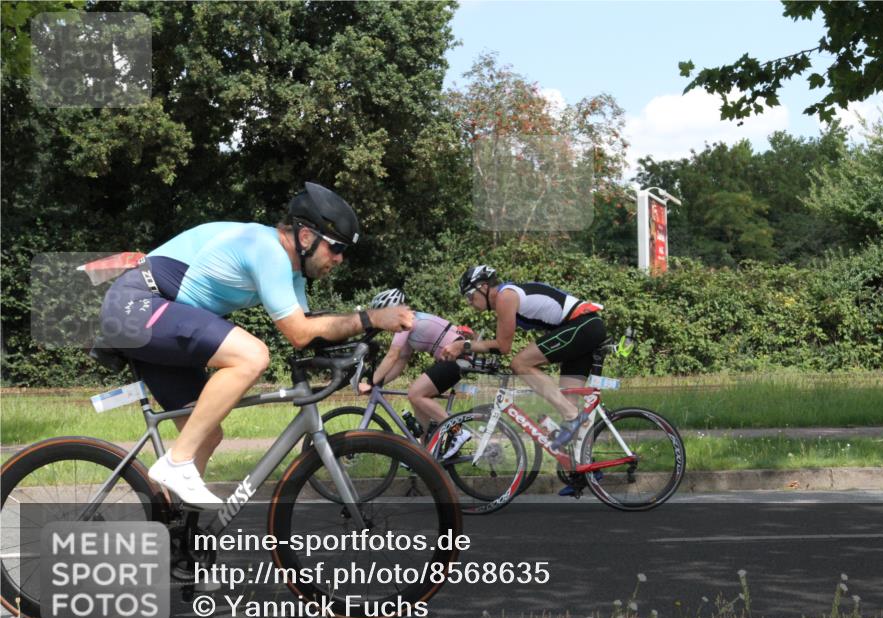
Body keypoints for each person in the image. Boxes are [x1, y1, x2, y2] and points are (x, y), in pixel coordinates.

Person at [98, 182, 413, 507]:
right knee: (252, 355)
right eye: (336, 247)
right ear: (306, 237)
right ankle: (176, 464)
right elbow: (299, 333)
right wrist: (371, 318)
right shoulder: (267, 251)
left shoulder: (291, 272)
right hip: (137, 303)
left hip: (161, 314)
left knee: (205, 434)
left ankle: (174, 533)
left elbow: (315, 330)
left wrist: (361, 345)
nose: (340, 258)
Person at [441, 265, 606, 449]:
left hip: (583, 325)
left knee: (520, 364)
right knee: (571, 412)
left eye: (470, 295)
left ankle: (572, 416)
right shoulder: (507, 297)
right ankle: (586, 469)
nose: (469, 302)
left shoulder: (506, 297)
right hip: (583, 327)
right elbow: (499, 344)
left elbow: (503, 347)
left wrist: (462, 345)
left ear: (484, 287)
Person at [360, 289, 475, 449]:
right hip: (453, 360)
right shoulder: (408, 324)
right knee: (417, 399)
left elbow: (392, 356)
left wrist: (371, 382)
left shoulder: (407, 321)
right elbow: (400, 362)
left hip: (459, 358)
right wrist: (379, 384)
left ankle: (457, 431)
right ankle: (423, 450)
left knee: (415, 393)